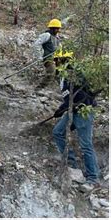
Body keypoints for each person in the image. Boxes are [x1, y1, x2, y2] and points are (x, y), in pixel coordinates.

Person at [52, 49, 99, 185]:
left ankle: (93, 177)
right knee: (58, 132)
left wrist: (63, 109)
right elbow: (69, 97)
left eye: (57, 60)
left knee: (86, 145)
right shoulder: (62, 74)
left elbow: (80, 97)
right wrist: (61, 109)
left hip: (83, 111)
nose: (55, 62)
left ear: (63, 60)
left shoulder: (74, 74)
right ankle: (71, 162)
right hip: (73, 110)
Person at [33, 19, 62, 88]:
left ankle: (57, 88)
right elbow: (36, 44)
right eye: (57, 28)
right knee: (51, 71)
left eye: (59, 28)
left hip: (56, 58)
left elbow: (59, 48)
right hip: (48, 59)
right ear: (52, 28)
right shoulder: (46, 35)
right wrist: (39, 56)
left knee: (60, 72)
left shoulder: (57, 37)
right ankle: (40, 88)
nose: (58, 30)